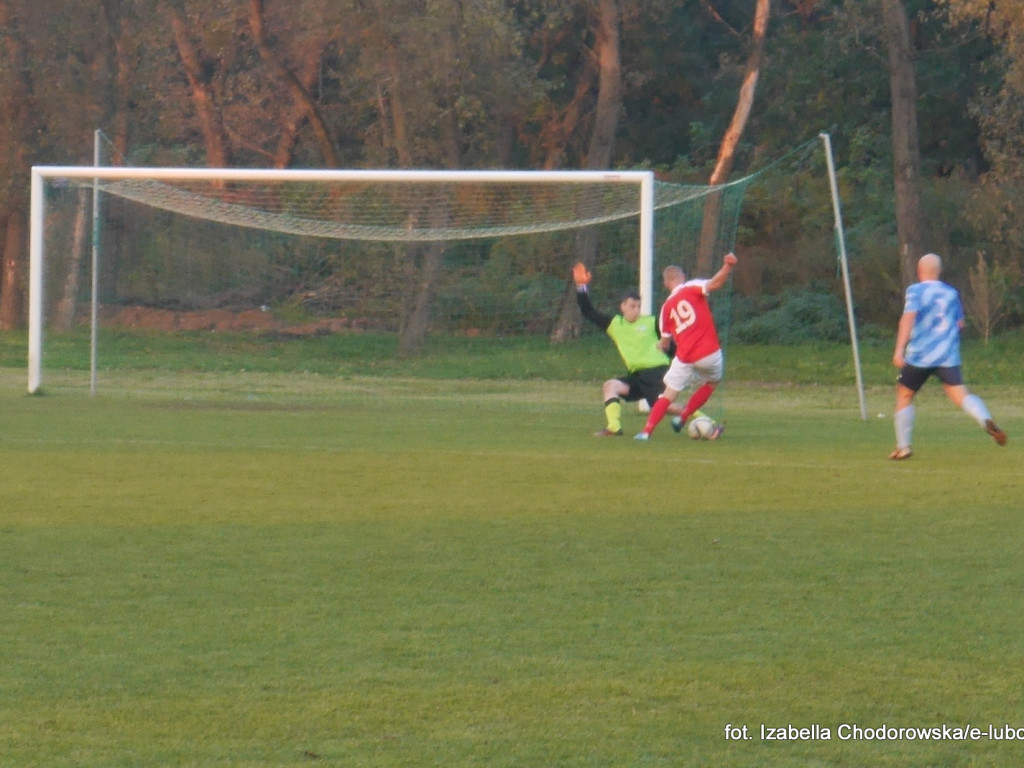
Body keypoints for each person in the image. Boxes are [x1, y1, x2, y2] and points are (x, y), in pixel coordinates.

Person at [889, 252, 1007, 460]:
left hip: (920, 355)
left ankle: (903, 446)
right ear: (940, 271)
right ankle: (985, 419)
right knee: (961, 395)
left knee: (904, 394)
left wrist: (899, 349)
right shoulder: (951, 293)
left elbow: (908, 319)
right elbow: (959, 323)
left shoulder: (915, 291)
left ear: (919, 270)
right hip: (947, 355)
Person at [573, 262, 711, 436]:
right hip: (637, 376)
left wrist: (684, 360)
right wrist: (581, 286)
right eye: (632, 306)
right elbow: (588, 312)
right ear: (622, 306)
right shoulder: (615, 325)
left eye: (638, 306)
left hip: (657, 372)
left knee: (664, 406)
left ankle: (706, 420)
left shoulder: (651, 322)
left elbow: (670, 344)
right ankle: (614, 427)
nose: (636, 310)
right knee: (611, 386)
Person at [634, 253, 737, 441]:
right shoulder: (691, 287)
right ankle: (682, 418)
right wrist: (727, 266)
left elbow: (665, 343)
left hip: (684, 357)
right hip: (708, 352)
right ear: (682, 276)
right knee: (711, 383)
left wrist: (660, 346)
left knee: (667, 395)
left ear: (666, 284)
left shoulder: (665, 309)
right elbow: (715, 284)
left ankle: (646, 432)